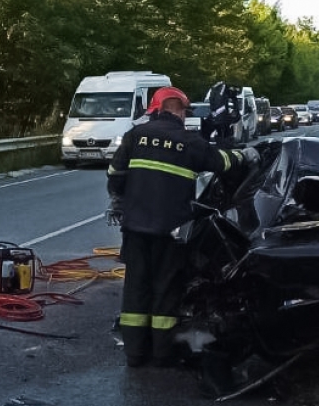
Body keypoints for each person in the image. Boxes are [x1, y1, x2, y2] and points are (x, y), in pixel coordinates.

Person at [106, 86, 259, 373]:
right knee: (165, 290)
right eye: (184, 111)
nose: (186, 116)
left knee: (136, 289)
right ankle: (162, 355)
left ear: (155, 108)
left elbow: (115, 174)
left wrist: (119, 198)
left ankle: (135, 355)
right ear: (175, 110)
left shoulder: (134, 136)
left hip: (135, 229)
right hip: (171, 232)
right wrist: (246, 155)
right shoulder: (189, 142)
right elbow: (222, 162)